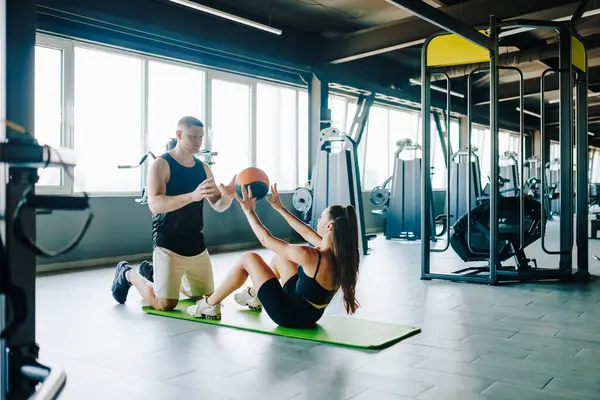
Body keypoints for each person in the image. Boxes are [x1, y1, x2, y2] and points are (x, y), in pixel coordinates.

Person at [187, 183, 361, 328]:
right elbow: (307, 233)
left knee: (249, 258)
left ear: (330, 226)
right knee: (281, 257)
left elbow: (265, 240)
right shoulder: (340, 254)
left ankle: (208, 305)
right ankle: (255, 296)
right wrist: (281, 209)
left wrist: (249, 211)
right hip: (311, 314)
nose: (318, 221)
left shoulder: (312, 256)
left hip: (289, 315)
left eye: (321, 218)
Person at [111, 116, 236, 311]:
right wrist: (191, 196)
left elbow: (218, 205)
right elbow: (155, 204)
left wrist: (228, 197)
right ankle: (128, 273)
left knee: (207, 299)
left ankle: (158, 275)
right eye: (192, 137)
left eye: (200, 137)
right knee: (166, 304)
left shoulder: (204, 169)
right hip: (168, 243)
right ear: (178, 135)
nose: (197, 142)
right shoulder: (161, 165)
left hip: (196, 244)